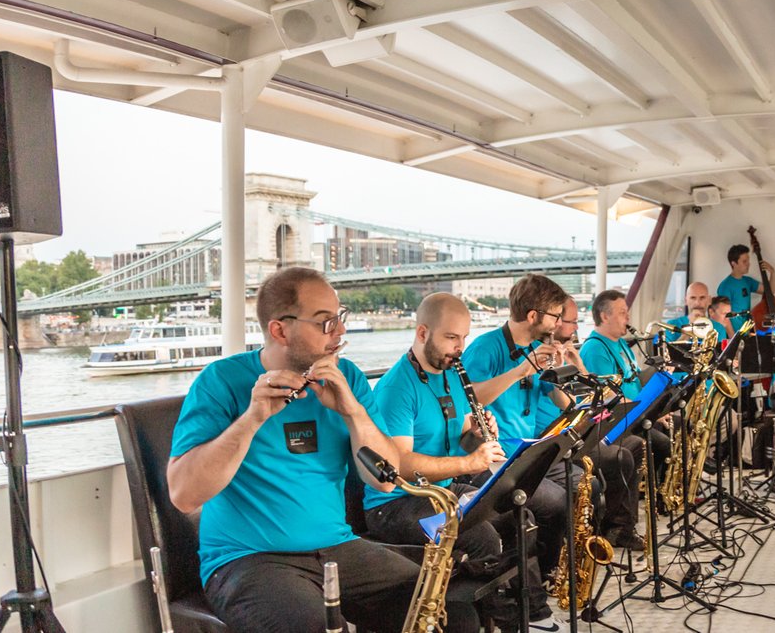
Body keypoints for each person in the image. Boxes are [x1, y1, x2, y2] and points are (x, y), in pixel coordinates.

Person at [168, 266, 473, 633]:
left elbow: (385, 481)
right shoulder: (220, 381)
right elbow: (184, 494)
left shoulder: (350, 379)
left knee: (454, 616)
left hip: (338, 548)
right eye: (325, 323)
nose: (340, 332)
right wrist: (252, 418)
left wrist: (352, 410)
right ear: (279, 329)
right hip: (249, 559)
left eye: (339, 318)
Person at [364, 293, 537, 631]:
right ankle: (490, 617)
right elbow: (399, 465)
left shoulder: (451, 374)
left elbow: (457, 439)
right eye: (451, 338)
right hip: (397, 502)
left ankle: (517, 607)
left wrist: (477, 434)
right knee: (482, 537)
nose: (459, 348)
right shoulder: (397, 388)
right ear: (423, 333)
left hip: (438, 491)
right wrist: (469, 463)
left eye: (463, 338)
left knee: (519, 512)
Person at [458, 274, 582, 630]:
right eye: (555, 316)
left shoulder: (534, 348)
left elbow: (561, 402)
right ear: (532, 315)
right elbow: (472, 398)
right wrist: (521, 370)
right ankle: (532, 591)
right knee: (553, 503)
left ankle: (543, 579)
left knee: (575, 489)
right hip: (494, 455)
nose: (559, 323)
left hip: (528, 449)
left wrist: (557, 374)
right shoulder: (485, 348)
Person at [555, 295, 642, 549]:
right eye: (571, 322)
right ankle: (613, 528)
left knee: (636, 443)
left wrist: (578, 365)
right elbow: (571, 404)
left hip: (579, 431)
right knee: (622, 455)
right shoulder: (545, 358)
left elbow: (591, 395)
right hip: (561, 440)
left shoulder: (567, 354)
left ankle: (621, 527)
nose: (575, 329)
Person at [583, 289, 672, 490]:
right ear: (605, 316)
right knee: (664, 444)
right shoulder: (595, 349)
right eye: (622, 312)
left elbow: (636, 380)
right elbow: (610, 398)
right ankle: (656, 495)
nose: (628, 317)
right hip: (620, 424)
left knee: (679, 425)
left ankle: (660, 490)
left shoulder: (621, 343)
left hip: (637, 415)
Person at [717, 243, 773, 319]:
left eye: (748, 261)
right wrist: (732, 331)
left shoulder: (748, 281)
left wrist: (772, 272)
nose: (748, 264)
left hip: (748, 329)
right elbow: (723, 317)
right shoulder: (725, 286)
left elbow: (770, 291)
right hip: (735, 330)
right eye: (744, 261)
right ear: (733, 264)